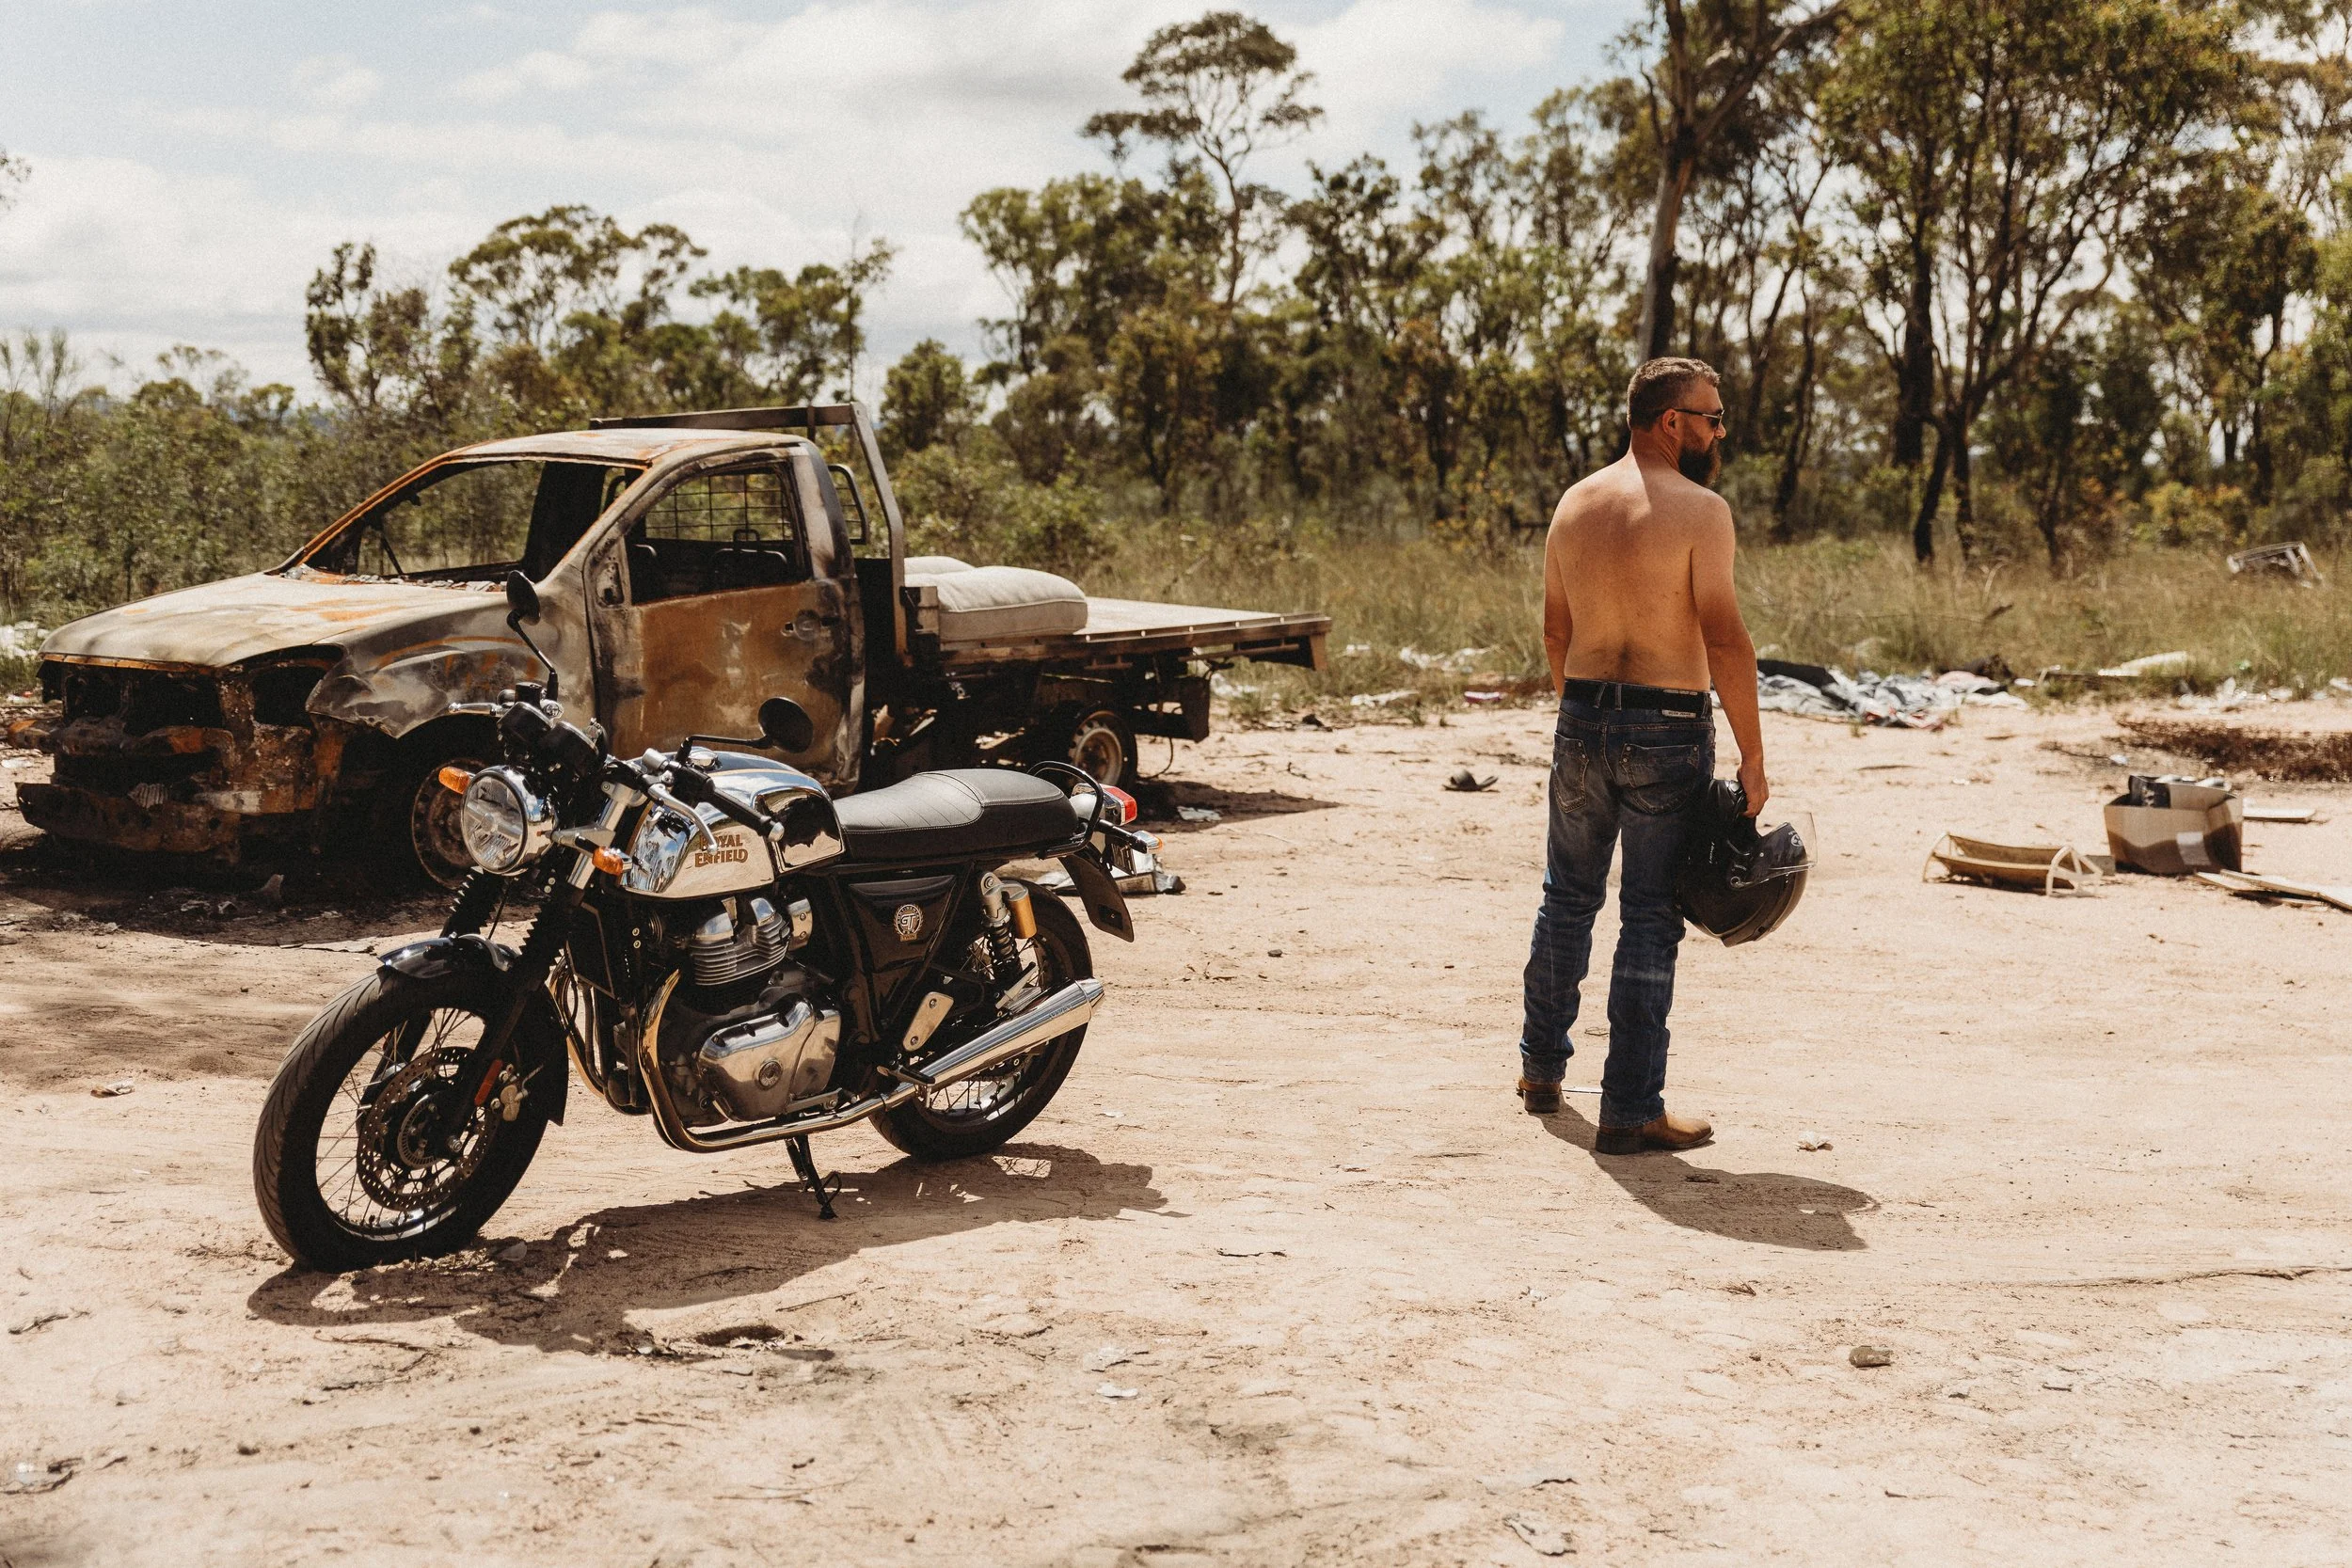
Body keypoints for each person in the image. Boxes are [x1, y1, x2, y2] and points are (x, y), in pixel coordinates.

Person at [1516, 356, 1766, 1154]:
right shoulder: (1702, 511)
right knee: (1651, 916)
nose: (1719, 428)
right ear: (1672, 422)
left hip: (1582, 713)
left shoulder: (1575, 502)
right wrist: (1753, 757)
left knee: (1567, 896)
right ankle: (1629, 1108)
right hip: (1668, 723)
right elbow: (1725, 638)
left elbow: (1555, 631)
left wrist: (1585, 716)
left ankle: (1541, 1071)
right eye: (1712, 416)